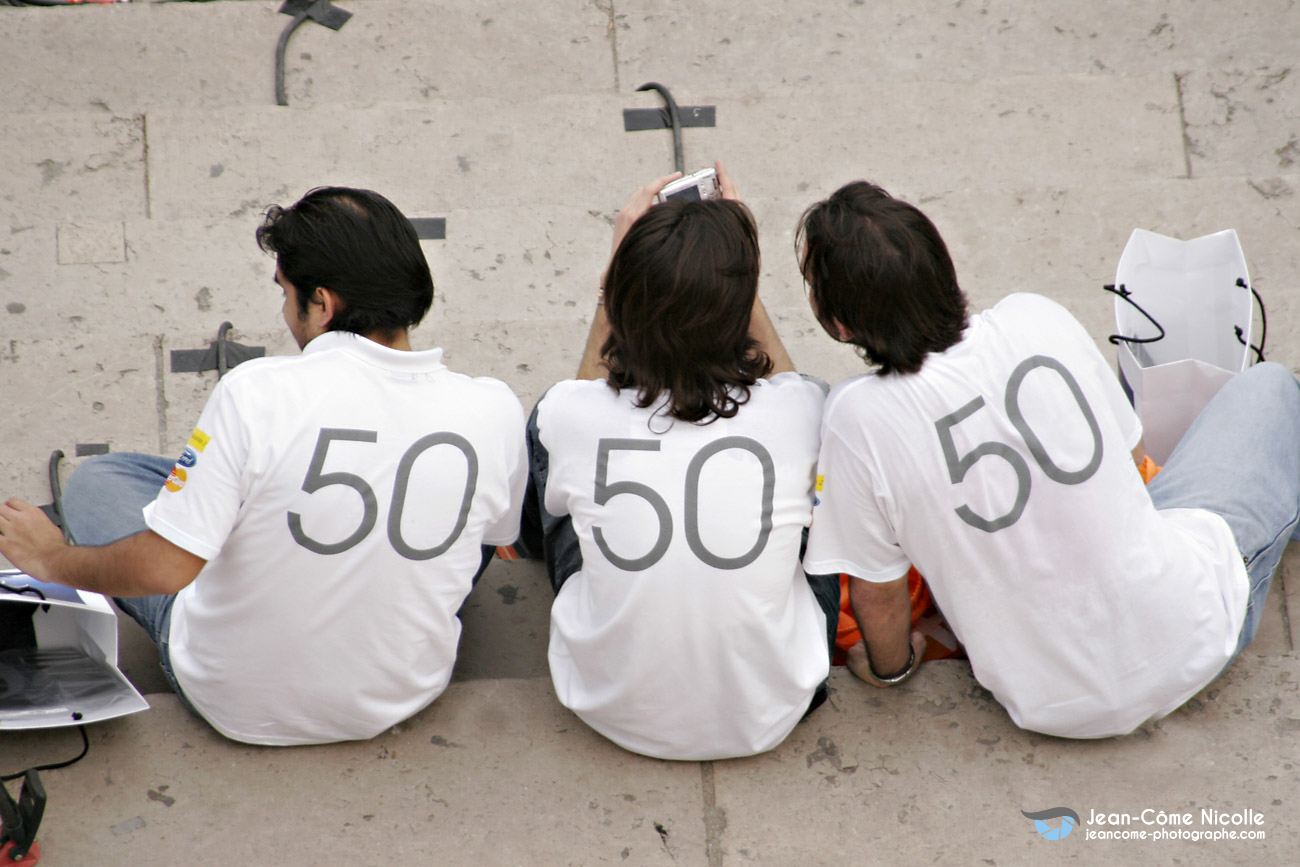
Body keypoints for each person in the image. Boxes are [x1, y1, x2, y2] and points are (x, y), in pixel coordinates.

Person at [0, 187, 527, 746]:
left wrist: (51, 558)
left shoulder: (255, 390)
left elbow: (163, 571)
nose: (284, 311)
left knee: (99, 481)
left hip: (234, 699)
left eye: (286, 293)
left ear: (322, 304)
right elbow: (491, 542)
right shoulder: (492, 407)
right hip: (404, 692)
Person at [798, 180, 1300, 738]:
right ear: (943, 270)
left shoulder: (855, 418)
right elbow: (1134, 459)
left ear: (840, 324)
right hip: (1193, 631)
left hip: (1051, 708)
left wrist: (891, 670)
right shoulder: (1035, 317)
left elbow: (878, 591)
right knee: (1271, 388)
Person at [517, 163, 838, 761]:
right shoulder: (806, 408)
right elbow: (794, 392)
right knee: (816, 499)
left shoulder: (567, 412)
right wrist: (738, 278)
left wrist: (618, 277)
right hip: (773, 711)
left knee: (554, 457)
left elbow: (576, 404)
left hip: (607, 705)